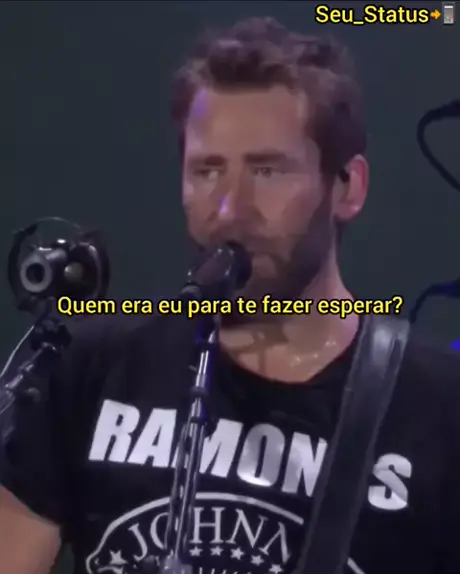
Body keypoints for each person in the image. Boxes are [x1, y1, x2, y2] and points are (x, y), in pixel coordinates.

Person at [1, 16, 460, 574]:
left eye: (267, 171)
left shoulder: (439, 407)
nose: (229, 208)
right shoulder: (90, 368)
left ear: (348, 187)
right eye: (207, 170)